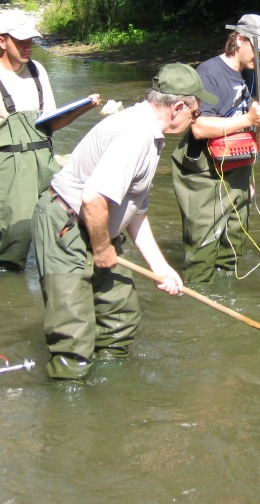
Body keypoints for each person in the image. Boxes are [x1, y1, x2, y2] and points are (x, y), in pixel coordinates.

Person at [30, 63, 215, 380]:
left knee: (120, 315)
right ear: (178, 107)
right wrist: (103, 251)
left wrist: (160, 267)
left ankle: (108, 388)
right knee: (72, 332)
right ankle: (69, 394)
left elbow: (134, 211)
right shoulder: (135, 135)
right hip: (66, 224)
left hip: (96, 227)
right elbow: (92, 199)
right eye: (195, 113)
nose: (195, 121)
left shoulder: (151, 133)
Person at [0, 11, 101, 273]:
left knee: (64, 224)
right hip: (7, 170)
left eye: (30, 40)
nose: (28, 46)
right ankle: (6, 295)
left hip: (44, 164)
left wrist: (82, 108)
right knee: (12, 241)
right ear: (2, 41)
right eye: (20, 41)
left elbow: (49, 124)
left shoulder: (38, 71)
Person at [171, 14, 260, 284]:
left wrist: (248, 177)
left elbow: (246, 130)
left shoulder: (246, 76)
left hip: (237, 168)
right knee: (204, 243)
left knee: (235, 240)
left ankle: (227, 290)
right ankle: (200, 300)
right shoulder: (208, 74)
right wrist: (248, 119)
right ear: (240, 39)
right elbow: (200, 127)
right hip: (204, 172)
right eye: (259, 51)